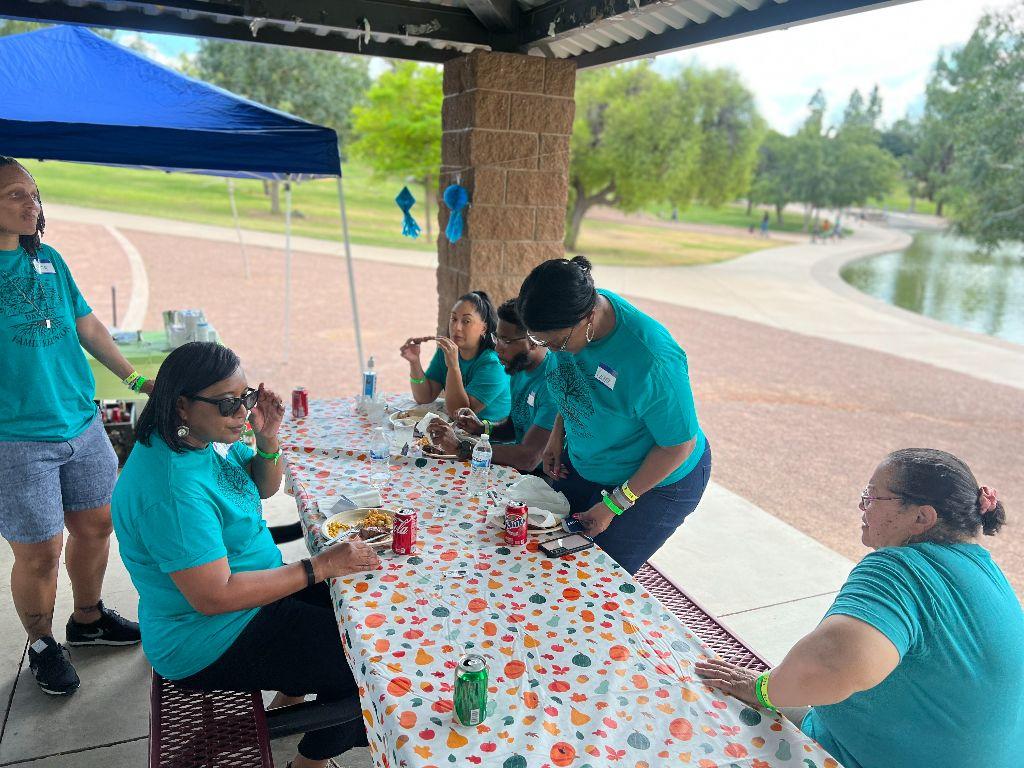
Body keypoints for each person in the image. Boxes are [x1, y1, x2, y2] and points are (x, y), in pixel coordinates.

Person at [111, 342, 379, 768]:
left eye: (246, 398)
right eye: (228, 404)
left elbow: (259, 486)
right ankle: (309, 763)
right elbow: (214, 596)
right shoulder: (172, 490)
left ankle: (292, 688)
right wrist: (318, 567)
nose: (241, 413)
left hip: (257, 592)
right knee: (366, 668)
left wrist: (267, 437)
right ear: (182, 405)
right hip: (209, 635)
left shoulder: (201, 439)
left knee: (366, 610)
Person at [697, 449, 1024, 768]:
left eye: (872, 496)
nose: (861, 505)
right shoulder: (986, 572)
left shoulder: (900, 570)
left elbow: (827, 667)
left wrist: (761, 689)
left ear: (921, 517)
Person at [0, 156, 149, 696]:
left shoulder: (50, 260)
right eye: (15, 194)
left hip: (82, 425)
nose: (30, 203)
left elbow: (86, 323)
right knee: (38, 552)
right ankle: (42, 644)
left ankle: (87, 620)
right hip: (15, 440)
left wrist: (135, 382)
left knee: (97, 525)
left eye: (33, 194)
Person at [515, 255, 711, 575]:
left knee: (593, 576)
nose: (551, 350)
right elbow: (571, 382)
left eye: (556, 342)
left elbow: (678, 445)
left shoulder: (652, 360)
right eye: (541, 342)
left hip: (658, 480)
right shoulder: (572, 314)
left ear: (588, 318)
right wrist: (556, 437)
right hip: (592, 461)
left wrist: (615, 504)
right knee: (545, 549)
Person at [426, 299, 557, 472]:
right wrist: (481, 427)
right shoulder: (520, 368)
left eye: (506, 341)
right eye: (497, 338)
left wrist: (461, 447)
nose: (497, 349)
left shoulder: (552, 386)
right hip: (517, 469)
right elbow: (515, 425)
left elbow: (529, 458)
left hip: (541, 478)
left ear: (533, 341)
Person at [400, 291, 510, 422]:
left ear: (484, 328)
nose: (457, 327)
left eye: (466, 321)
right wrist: (414, 362)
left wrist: (453, 366)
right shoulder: (446, 352)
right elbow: (424, 397)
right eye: (454, 319)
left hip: (490, 436)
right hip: (460, 430)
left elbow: (459, 413)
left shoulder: (493, 364)